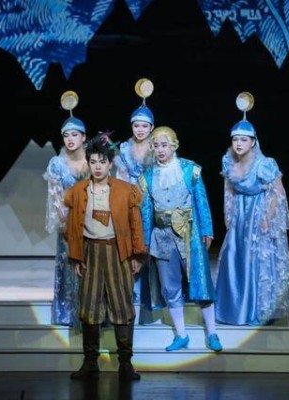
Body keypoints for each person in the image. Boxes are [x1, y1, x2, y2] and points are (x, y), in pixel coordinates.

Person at [64, 138, 146, 381]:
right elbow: (71, 227)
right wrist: (76, 256)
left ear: (110, 164)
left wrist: (137, 255)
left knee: (122, 306)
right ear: (88, 164)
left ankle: (125, 363)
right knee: (89, 307)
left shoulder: (125, 190)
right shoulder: (79, 191)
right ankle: (90, 362)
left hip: (117, 252)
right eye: (93, 162)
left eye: (102, 162)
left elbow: (135, 225)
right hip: (90, 251)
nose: (98, 166)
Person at [138, 126, 223, 352]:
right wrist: (145, 241)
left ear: (174, 146)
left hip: (189, 235)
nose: (160, 150)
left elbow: (201, 201)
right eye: (156, 146)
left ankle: (212, 332)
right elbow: (146, 212)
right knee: (170, 287)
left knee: (201, 282)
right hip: (162, 238)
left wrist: (207, 230)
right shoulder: (147, 177)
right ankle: (181, 334)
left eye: (164, 145)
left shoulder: (189, 170)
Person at [215, 92, 289, 325]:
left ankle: (260, 311)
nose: (238, 143)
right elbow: (228, 189)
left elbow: (278, 192)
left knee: (257, 260)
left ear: (253, 142)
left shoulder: (264, 164)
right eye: (235, 140)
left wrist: (267, 217)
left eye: (243, 140)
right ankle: (233, 309)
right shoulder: (228, 161)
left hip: (258, 213)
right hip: (240, 214)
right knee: (233, 256)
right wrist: (229, 215)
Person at [114, 78, 163, 323]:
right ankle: (127, 305)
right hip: (131, 204)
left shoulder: (157, 149)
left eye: (144, 126)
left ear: (152, 127)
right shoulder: (124, 149)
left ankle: (149, 309)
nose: (140, 130)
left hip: (152, 204)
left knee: (150, 254)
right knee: (130, 251)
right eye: (136, 125)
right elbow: (121, 178)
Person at [43, 91, 89, 326]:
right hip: (69, 225)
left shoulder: (93, 161)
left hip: (93, 224)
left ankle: (92, 314)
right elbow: (55, 198)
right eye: (66, 135)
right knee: (69, 266)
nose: (70, 139)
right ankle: (68, 313)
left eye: (74, 134)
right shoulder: (57, 164)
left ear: (83, 137)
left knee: (91, 268)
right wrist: (66, 224)